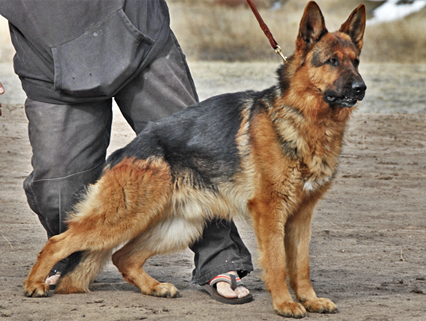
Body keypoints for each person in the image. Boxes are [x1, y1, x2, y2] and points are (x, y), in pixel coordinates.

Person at [0, 0, 253, 303]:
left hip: (141, 39)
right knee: (58, 189)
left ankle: (220, 260)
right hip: (48, 59)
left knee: (198, 158)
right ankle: (71, 256)